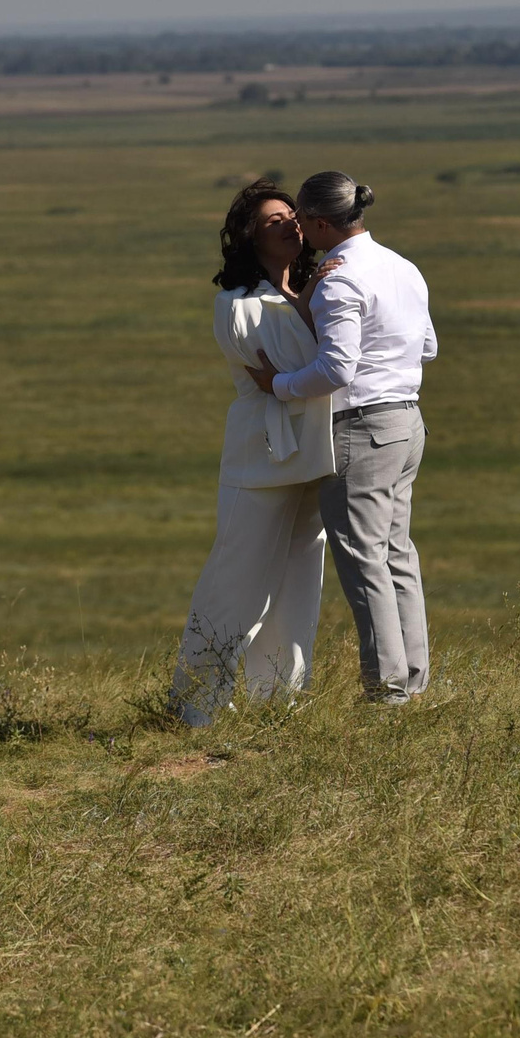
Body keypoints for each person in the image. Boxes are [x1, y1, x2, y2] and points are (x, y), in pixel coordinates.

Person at [245, 170, 437, 704]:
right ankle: (413, 680)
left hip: (361, 428)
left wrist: (278, 385)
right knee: (396, 553)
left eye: (301, 220)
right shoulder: (402, 266)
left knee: (362, 560)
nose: (298, 231)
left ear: (321, 222)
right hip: (407, 421)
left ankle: (387, 692)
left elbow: (337, 369)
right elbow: (427, 346)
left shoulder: (341, 279)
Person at [169, 180, 337, 725]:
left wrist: (308, 301)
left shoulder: (317, 289)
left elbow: (318, 370)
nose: (290, 225)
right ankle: (195, 705)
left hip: (315, 452)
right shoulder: (234, 305)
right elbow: (294, 365)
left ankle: (279, 703)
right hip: (260, 458)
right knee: (236, 583)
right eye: (273, 221)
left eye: (293, 215)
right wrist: (309, 307)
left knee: (299, 585)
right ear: (250, 237)